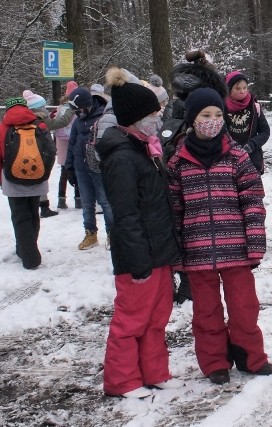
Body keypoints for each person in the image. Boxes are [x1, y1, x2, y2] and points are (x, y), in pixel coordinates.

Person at [166, 87, 272, 385]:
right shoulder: (178, 163)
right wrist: (177, 255)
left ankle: (250, 357)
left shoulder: (238, 157)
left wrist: (255, 243)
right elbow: (174, 212)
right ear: (192, 119)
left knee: (244, 308)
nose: (213, 121)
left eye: (218, 115)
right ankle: (215, 362)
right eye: (206, 115)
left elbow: (253, 202)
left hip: (237, 250)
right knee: (206, 313)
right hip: (197, 252)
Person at [95, 67, 182, 399]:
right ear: (133, 118)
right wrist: (137, 261)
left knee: (157, 317)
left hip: (157, 251)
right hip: (138, 257)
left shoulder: (146, 149)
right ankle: (123, 379)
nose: (157, 119)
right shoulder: (122, 158)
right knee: (131, 320)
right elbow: (125, 216)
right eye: (151, 114)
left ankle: (154, 371)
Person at [163, 49, 228, 304]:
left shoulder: (174, 102)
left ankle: (181, 279)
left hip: (174, 172)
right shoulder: (208, 101)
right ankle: (189, 284)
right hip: (197, 170)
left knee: (181, 224)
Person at [0, 96, 53, 270]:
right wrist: (44, 173)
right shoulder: (40, 125)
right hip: (37, 177)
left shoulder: (2, 128)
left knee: (20, 217)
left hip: (12, 179)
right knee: (33, 214)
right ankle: (25, 249)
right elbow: (50, 150)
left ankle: (29, 257)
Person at [66, 86, 114, 250]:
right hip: (81, 166)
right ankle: (90, 233)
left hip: (99, 167)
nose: (77, 113)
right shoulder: (78, 120)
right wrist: (69, 166)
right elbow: (72, 143)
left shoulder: (103, 117)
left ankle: (112, 233)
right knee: (87, 203)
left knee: (105, 202)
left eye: (79, 109)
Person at [23, 89, 76, 217]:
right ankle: (44, 207)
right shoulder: (40, 118)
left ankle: (30, 206)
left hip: (26, 151)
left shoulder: (24, 118)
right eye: (43, 106)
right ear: (38, 107)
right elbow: (60, 123)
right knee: (40, 178)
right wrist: (70, 110)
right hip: (38, 152)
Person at [224, 71, 270, 174]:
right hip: (229, 161)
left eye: (244, 88)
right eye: (238, 88)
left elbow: (265, 131)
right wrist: (231, 148)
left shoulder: (254, 106)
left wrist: (252, 144)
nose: (242, 91)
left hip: (252, 160)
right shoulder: (222, 107)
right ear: (230, 89)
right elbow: (221, 133)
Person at [52, 82, 81, 210]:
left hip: (62, 142)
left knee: (64, 171)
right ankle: (79, 199)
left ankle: (61, 199)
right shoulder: (78, 107)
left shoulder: (60, 108)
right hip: (75, 141)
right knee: (78, 170)